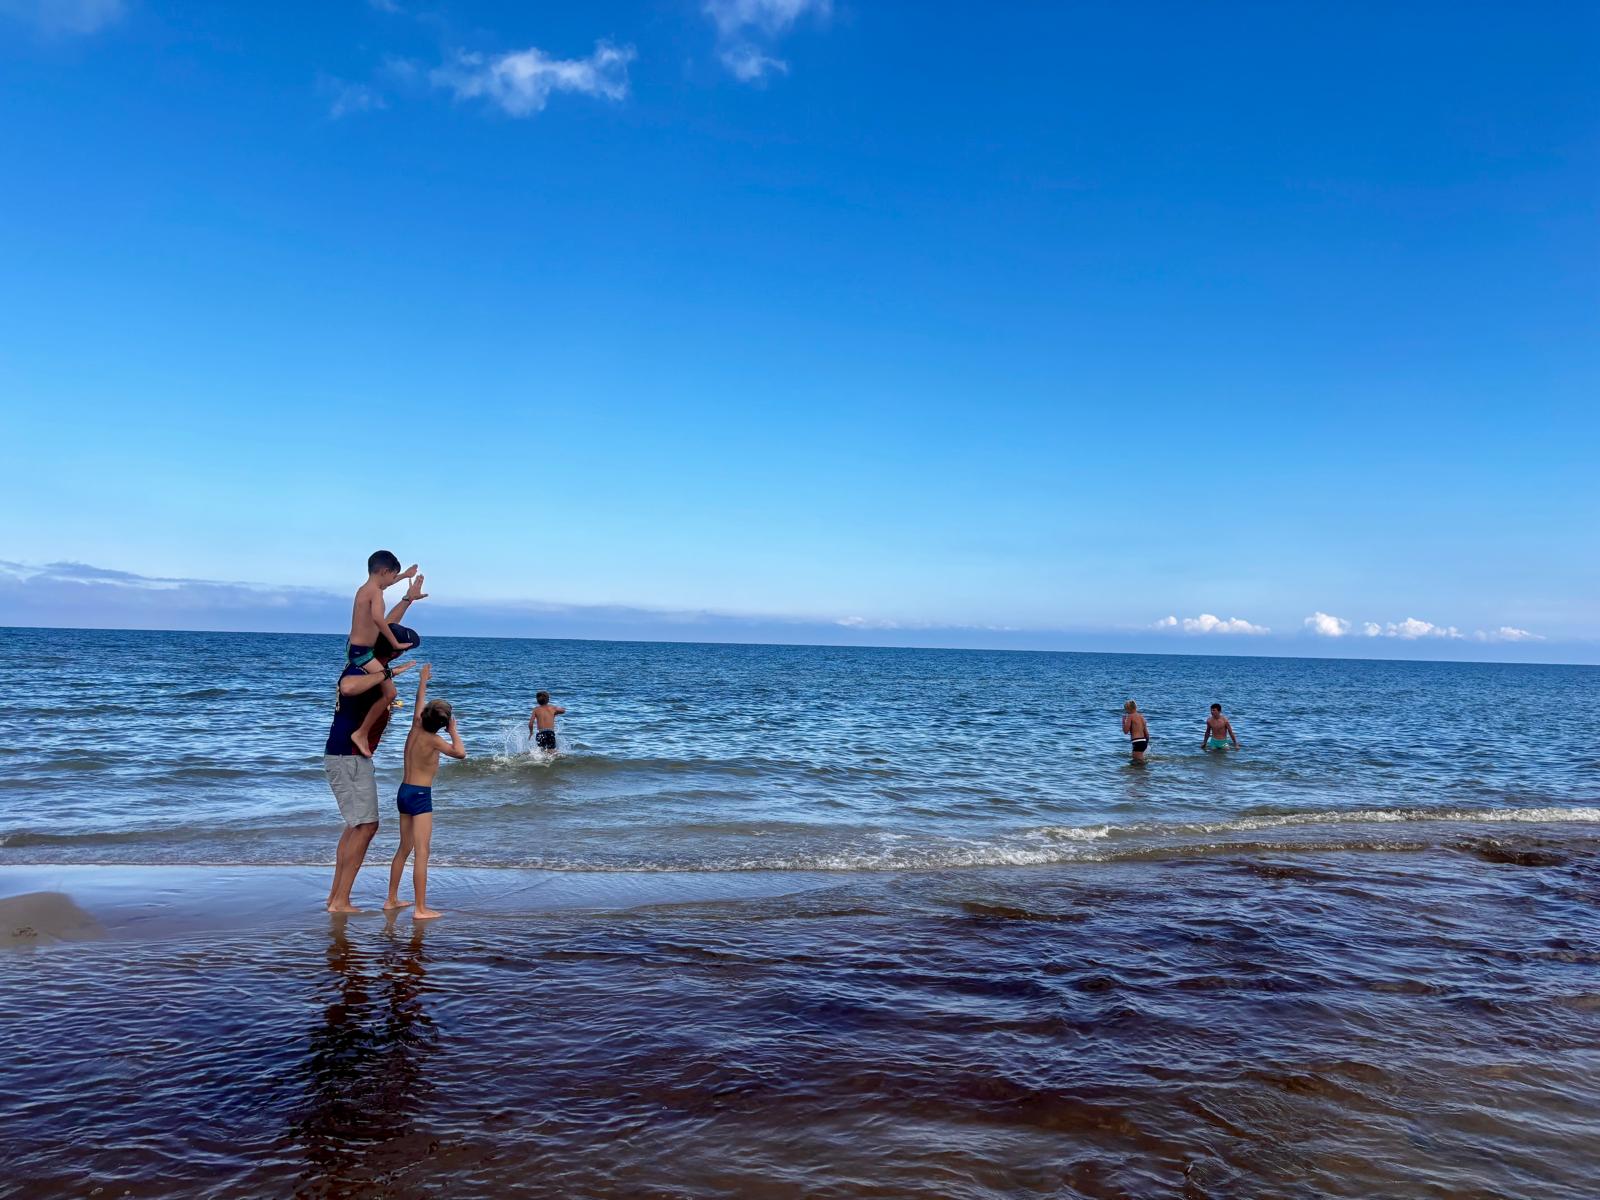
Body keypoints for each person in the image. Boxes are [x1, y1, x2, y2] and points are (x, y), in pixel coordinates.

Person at [322, 575, 427, 913]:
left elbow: (389, 624)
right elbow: (348, 687)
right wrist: (389, 675)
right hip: (349, 755)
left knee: (357, 825)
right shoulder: (370, 670)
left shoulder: (370, 660)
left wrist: (407, 599)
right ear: (395, 651)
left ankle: (336, 897)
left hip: (347, 755)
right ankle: (340, 901)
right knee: (366, 826)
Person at [386, 664, 466, 920]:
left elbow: (419, 702)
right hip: (420, 795)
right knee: (422, 851)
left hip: (404, 792)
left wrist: (423, 680)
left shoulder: (415, 726)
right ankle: (420, 909)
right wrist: (454, 732)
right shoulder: (435, 740)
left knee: (404, 848)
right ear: (444, 724)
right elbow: (460, 753)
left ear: (423, 716)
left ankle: (391, 899)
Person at [346, 552, 421, 756]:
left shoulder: (367, 589)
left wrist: (405, 578)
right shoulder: (376, 594)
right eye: (392, 576)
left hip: (357, 648)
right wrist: (395, 643)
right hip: (349, 758)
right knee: (391, 693)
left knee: (389, 691)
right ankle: (361, 733)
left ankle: (362, 734)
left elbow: (387, 622)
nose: (391, 582)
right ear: (384, 571)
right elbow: (381, 621)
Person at [528, 690, 565, 755]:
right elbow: (563, 711)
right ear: (548, 700)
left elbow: (530, 723)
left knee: (541, 751)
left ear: (537, 701)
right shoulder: (552, 708)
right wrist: (555, 712)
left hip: (540, 733)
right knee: (552, 751)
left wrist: (531, 732)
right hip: (550, 733)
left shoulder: (536, 709)